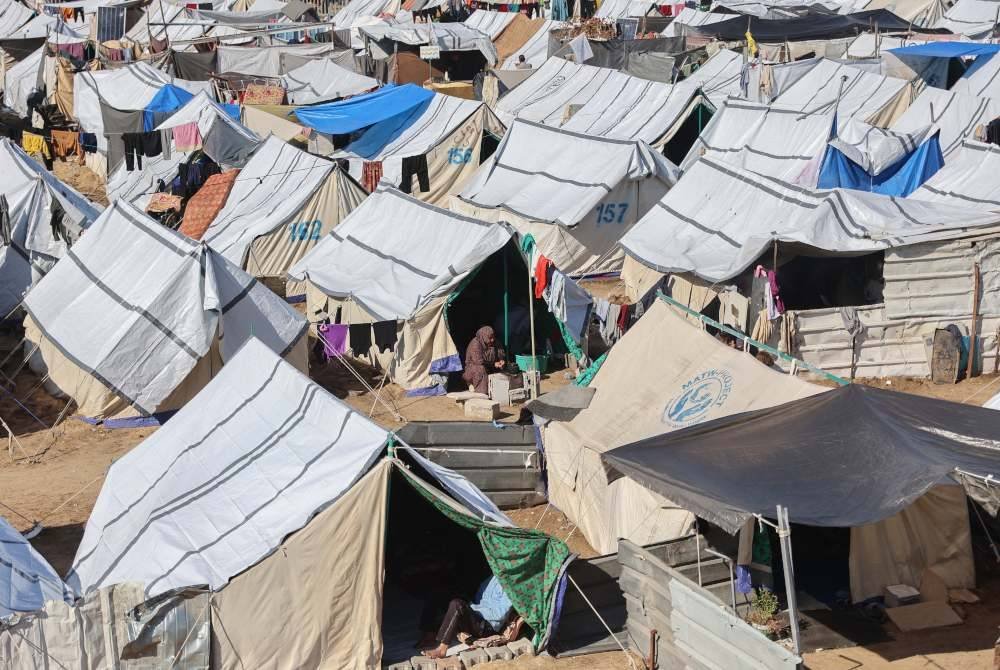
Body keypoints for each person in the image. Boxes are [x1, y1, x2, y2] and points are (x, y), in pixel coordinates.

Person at [422, 575, 521, 659]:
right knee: (438, 594)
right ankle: (429, 633)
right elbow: (479, 596)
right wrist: (471, 607)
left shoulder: (511, 587)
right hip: (476, 614)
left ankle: (442, 649)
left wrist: (473, 608)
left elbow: (499, 615)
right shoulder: (494, 577)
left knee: (457, 604)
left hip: (486, 626)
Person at [463, 326, 505, 394]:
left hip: (490, 368)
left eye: (493, 337)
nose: (492, 340)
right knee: (480, 369)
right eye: (490, 338)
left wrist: (501, 360)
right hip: (474, 369)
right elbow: (479, 362)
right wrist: (494, 364)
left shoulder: (495, 342)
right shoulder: (475, 344)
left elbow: (500, 352)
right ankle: (476, 388)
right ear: (484, 336)